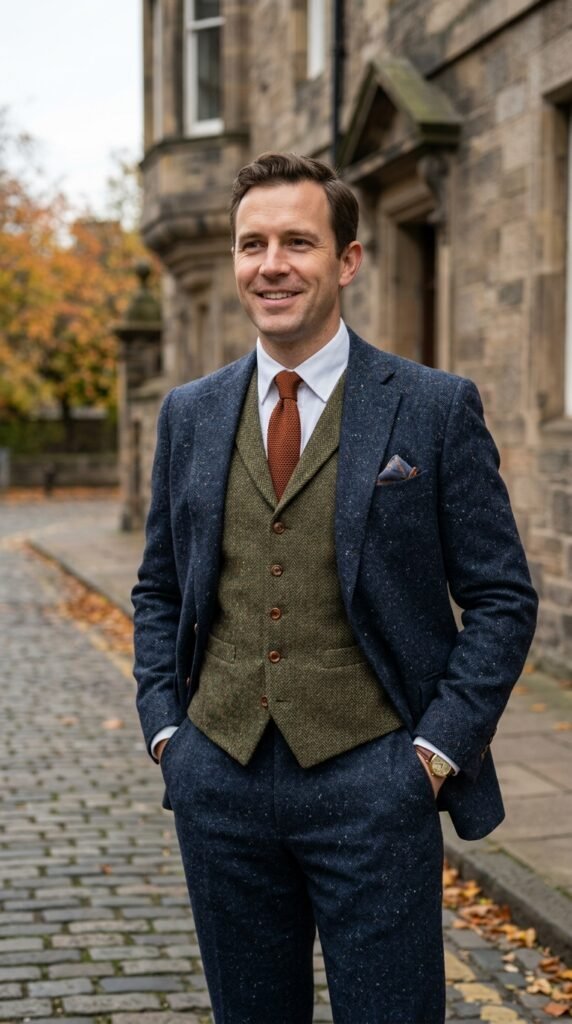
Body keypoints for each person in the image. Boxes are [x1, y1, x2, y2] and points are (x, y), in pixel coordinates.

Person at [132, 152, 538, 1024]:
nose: (271, 265)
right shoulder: (189, 413)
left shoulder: (431, 406)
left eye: (298, 242)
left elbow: (503, 597)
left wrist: (433, 755)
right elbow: (160, 586)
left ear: (347, 260)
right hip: (220, 784)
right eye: (253, 244)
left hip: (376, 787)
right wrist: (168, 734)